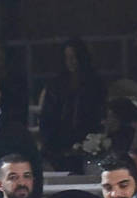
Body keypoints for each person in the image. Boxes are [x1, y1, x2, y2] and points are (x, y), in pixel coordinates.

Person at [38, 38, 105, 170]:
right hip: (58, 144)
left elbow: (98, 113)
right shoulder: (56, 85)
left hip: (87, 142)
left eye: (75, 57)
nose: (72, 61)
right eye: (68, 57)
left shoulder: (94, 84)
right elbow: (48, 116)